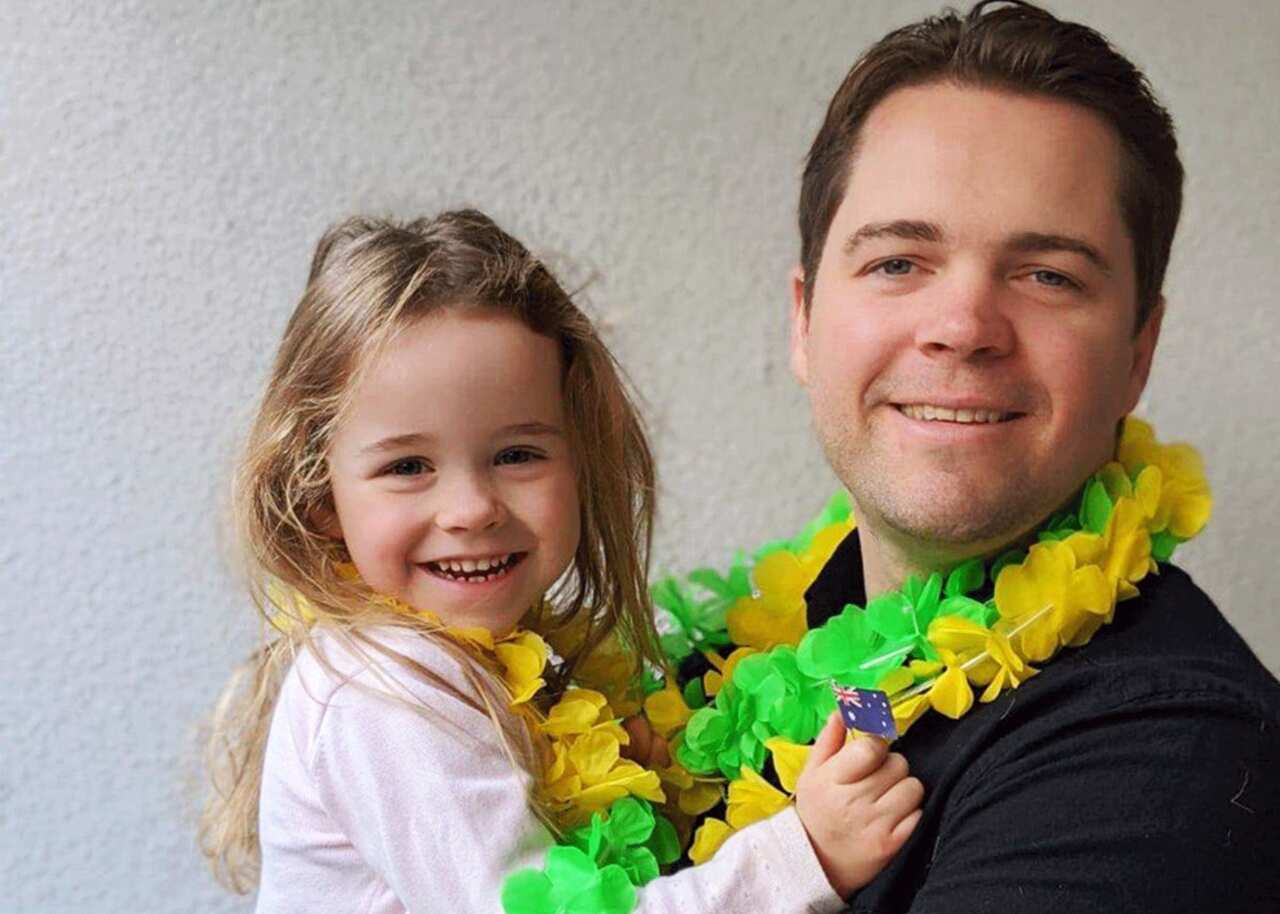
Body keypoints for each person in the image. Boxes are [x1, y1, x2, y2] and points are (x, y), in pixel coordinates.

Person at [198, 209, 923, 913]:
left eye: (516, 454)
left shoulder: (512, 655)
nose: (471, 508)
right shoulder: (383, 696)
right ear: (321, 498)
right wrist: (805, 856)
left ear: (580, 463)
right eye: (408, 466)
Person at [784, 1, 1280, 910]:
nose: (963, 329)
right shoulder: (731, 672)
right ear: (805, 321)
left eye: (1048, 275)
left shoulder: (1169, 754)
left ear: (1139, 352)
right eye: (898, 261)